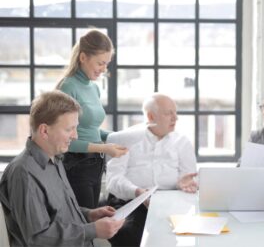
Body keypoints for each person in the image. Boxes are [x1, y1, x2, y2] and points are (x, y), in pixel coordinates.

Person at [0, 91, 125, 246]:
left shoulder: (56, 159)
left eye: (75, 128)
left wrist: (89, 214)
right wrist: (92, 230)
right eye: (69, 129)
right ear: (44, 131)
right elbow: (37, 238)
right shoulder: (23, 173)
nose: (75, 136)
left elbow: (59, 212)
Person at [105, 93, 198, 246]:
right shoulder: (127, 139)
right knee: (128, 233)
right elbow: (113, 180)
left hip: (170, 202)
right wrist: (137, 192)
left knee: (176, 234)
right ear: (150, 116)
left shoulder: (182, 142)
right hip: (131, 202)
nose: (175, 118)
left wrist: (182, 183)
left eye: (176, 113)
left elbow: (188, 178)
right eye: (169, 113)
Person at [56, 29, 128, 209]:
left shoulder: (93, 88)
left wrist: (119, 137)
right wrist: (104, 147)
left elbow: (92, 131)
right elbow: (65, 141)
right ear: (83, 58)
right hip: (76, 166)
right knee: (85, 227)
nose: (104, 69)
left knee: (92, 224)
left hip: (95, 165)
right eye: (100, 63)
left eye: (107, 64)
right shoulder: (68, 87)